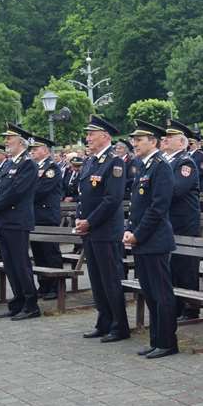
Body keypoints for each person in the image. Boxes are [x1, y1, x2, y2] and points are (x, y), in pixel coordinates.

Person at [124, 121, 179, 359]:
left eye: (139, 139)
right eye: (134, 140)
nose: (134, 143)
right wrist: (129, 229)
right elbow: (136, 205)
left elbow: (158, 208)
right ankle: (156, 339)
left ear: (153, 141)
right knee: (149, 292)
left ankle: (167, 342)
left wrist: (138, 233)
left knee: (161, 293)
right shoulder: (144, 166)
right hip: (143, 240)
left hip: (154, 240)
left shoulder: (160, 167)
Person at [77, 115, 129, 342]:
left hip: (105, 230)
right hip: (89, 230)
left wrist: (89, 221)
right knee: (96, 280)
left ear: (105, 136)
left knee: (111, 279)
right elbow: (85, 195)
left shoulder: (114, 161)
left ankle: (119, 326)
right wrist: (82, 221)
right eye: (87, 134)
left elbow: (112, 198)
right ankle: (104, 320)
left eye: (92, 134)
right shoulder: (90, 161)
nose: (87, 138)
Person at [0, 124, 40, 320]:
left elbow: (16, 192)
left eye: (10, 138)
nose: (6, 141)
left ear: (21, 141)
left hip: (17, 221)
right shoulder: (8, 164)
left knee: (20, 263)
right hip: (4, 221)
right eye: (6, 138)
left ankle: (31, 304)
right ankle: (17, 302)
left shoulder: (28, 164)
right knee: (9, 264)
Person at [161, 120, 201, 320]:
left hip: (183, 222)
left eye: (170, 138)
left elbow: (175, 189)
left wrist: (156, 192)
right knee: (173, 266)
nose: (165, 140)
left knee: (185, 266)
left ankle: (190, 308)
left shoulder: (185, 162)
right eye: (165, 137)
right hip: (170, 222)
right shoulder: (167, 161)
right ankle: (176, 305)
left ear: (182, 142)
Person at [28, 134, 64, 300]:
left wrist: (24, 194)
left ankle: (55, 287)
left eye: (35, 149)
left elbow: (41, 190)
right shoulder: (35, 168)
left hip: (47, 215)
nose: (32, 152)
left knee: (50, 253)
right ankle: (44, 285)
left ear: (45, 151)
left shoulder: (52, 168)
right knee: (39, 253)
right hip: (36, 216)